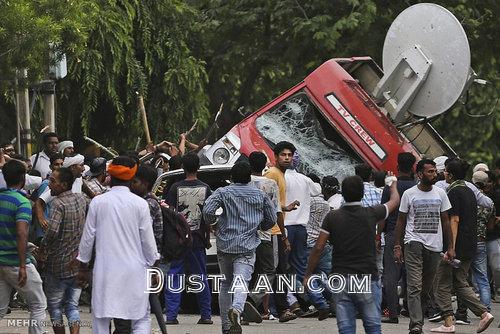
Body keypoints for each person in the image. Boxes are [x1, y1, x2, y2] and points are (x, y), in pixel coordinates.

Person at [304, 173, 400, 334]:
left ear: (343, 193)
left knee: (346, 328)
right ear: (362, 193)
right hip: (367, 277)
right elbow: (394, 201)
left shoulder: (332, 217)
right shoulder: (372, 213)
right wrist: (393, 185)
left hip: (341, 279)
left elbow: (319, 247)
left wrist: (307, 274)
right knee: (372, 326)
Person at [75, 156, 160, 333]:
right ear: (132, 177)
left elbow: (88, 238)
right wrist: (154, 265)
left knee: (101, 317)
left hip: (105, 271)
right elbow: (148, 242)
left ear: (109, 176)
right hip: (135, 271)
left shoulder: (98, 202)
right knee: (140, 317)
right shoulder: (140, 204)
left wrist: (82, 266)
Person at [203, 162, 277, 334]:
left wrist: (215, 223)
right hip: (247, 246)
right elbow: (271, 219)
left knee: (226, 283)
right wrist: (259, 226)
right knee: (241, 281)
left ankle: (226, 326)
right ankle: (237, 309)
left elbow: (207, 211)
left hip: (225, 245)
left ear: (231, 178)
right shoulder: (260, 195)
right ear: (249, 177)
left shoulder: (222, 192)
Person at [431, 159, 494, 333]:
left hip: (456, 246)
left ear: (450, 174)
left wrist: (450, 247)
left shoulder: (454, 192)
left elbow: (455, 220)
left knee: (441, 283)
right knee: (460, 282)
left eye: (445, 172)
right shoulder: (469, 191)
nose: (443, 174)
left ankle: (448, 323)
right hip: (470, 245)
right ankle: (484, 314)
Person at [394, 159, 455, 334]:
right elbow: (401, 220)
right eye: (430, 172)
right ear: (419, 174)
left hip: (434, 247)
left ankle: (418, 320)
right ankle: (416, 324)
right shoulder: (409, 194)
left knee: (426, 288)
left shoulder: (441, 193)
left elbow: (445, 221)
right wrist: (397, 246)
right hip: (413, 242)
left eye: (435, 171)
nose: (434, 174)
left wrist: (450, 246)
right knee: (414, 286)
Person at [38, 167, 89, 334]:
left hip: (57, 264)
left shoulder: (58, 204)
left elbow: (52, 231)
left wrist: (43, 247)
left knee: (55, 307)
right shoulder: (81, 199)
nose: (49, 184)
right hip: (77, 262)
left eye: (53, 181)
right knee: (72, 305)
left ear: (63, 184)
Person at [247, 151, 296, 323]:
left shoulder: (243, 183)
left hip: (245, 235)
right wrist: (283, 235)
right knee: (270, 270)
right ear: (264, 166)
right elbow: (277, 213)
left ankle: (244, 304)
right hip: (266, 235)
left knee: (247, 271)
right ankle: (252, 299)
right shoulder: (270, 184)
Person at [164, 153, 212, 325]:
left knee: (174, 276)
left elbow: (170, 214)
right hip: (198, 241)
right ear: (198, 167)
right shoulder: (206, 188)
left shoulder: (174, 188)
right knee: (200, 277)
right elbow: (209, 216)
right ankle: (206, 316)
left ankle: (171, 316)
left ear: (182, 168)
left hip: (179, 241)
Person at [0, 160, 47, 334]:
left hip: (0, 262)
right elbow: (21, 233)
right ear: (22, 178)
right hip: (15, 262)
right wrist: (22, 265)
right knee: (38, 304)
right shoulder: (22, 202)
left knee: (0, 309)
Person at [380, 152, 417, 324]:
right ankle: (411, 310)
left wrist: (377, 235)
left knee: (391, 275)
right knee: (411, 273)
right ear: (413, 167)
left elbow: (384, 214)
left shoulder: (390, 187)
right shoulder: (417, 186)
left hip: (393, 232)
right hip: (412, 234)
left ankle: (392, 313)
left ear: (397, 166)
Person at [304, 173, 333, 320]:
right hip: (324, 243)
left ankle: (320, 303)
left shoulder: (307, 202)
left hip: (309, 242)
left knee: (307, 275)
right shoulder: (326, 204)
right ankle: (334, 299)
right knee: (325, 276)